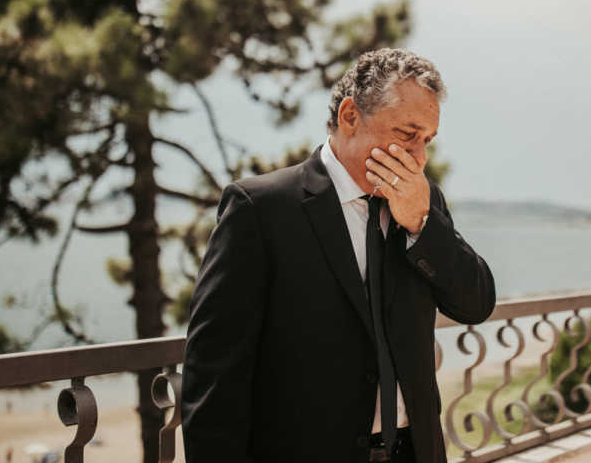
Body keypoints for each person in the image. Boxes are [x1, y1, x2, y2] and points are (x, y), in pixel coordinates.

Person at [181, 48, 496, 463]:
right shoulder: (260, 209)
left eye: (427, 141)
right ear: (350, 117)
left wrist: (422, 223)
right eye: (407, 134)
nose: (420, 158)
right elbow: (213, 377)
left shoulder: (423, 200)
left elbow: (476, 303)